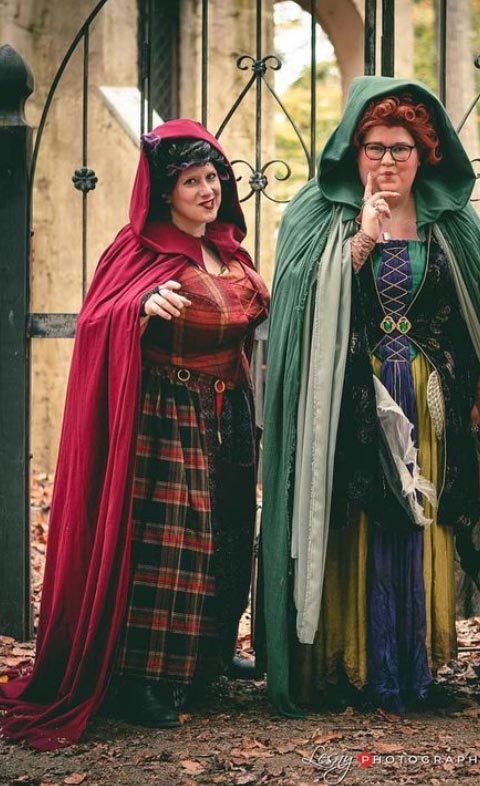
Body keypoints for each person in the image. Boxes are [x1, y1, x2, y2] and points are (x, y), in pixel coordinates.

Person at [0, 119, 269, 749]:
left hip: (228, 412)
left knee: (228, 532)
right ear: (165, 192)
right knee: (172, 542)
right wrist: (139, 306)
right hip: (167, 414)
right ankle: (145, 678)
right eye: (191, 181)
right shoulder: (137, 252)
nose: (207, 190)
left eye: (213, 177)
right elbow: (101, 316)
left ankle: (207, 654)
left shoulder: (228, 252)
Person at [259, 77, 480, 715]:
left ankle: (412, 668)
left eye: (402, 148)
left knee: (422, 522)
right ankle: (357, 665)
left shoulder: (451, 221)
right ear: (355, 152)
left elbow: (474, 311)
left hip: (428, 404)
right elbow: (301, 307)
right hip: (350, 401)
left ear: (424, 153)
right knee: (359, 522)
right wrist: (364, 237)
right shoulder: (320, 214)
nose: (388, 160)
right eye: (375, 147)